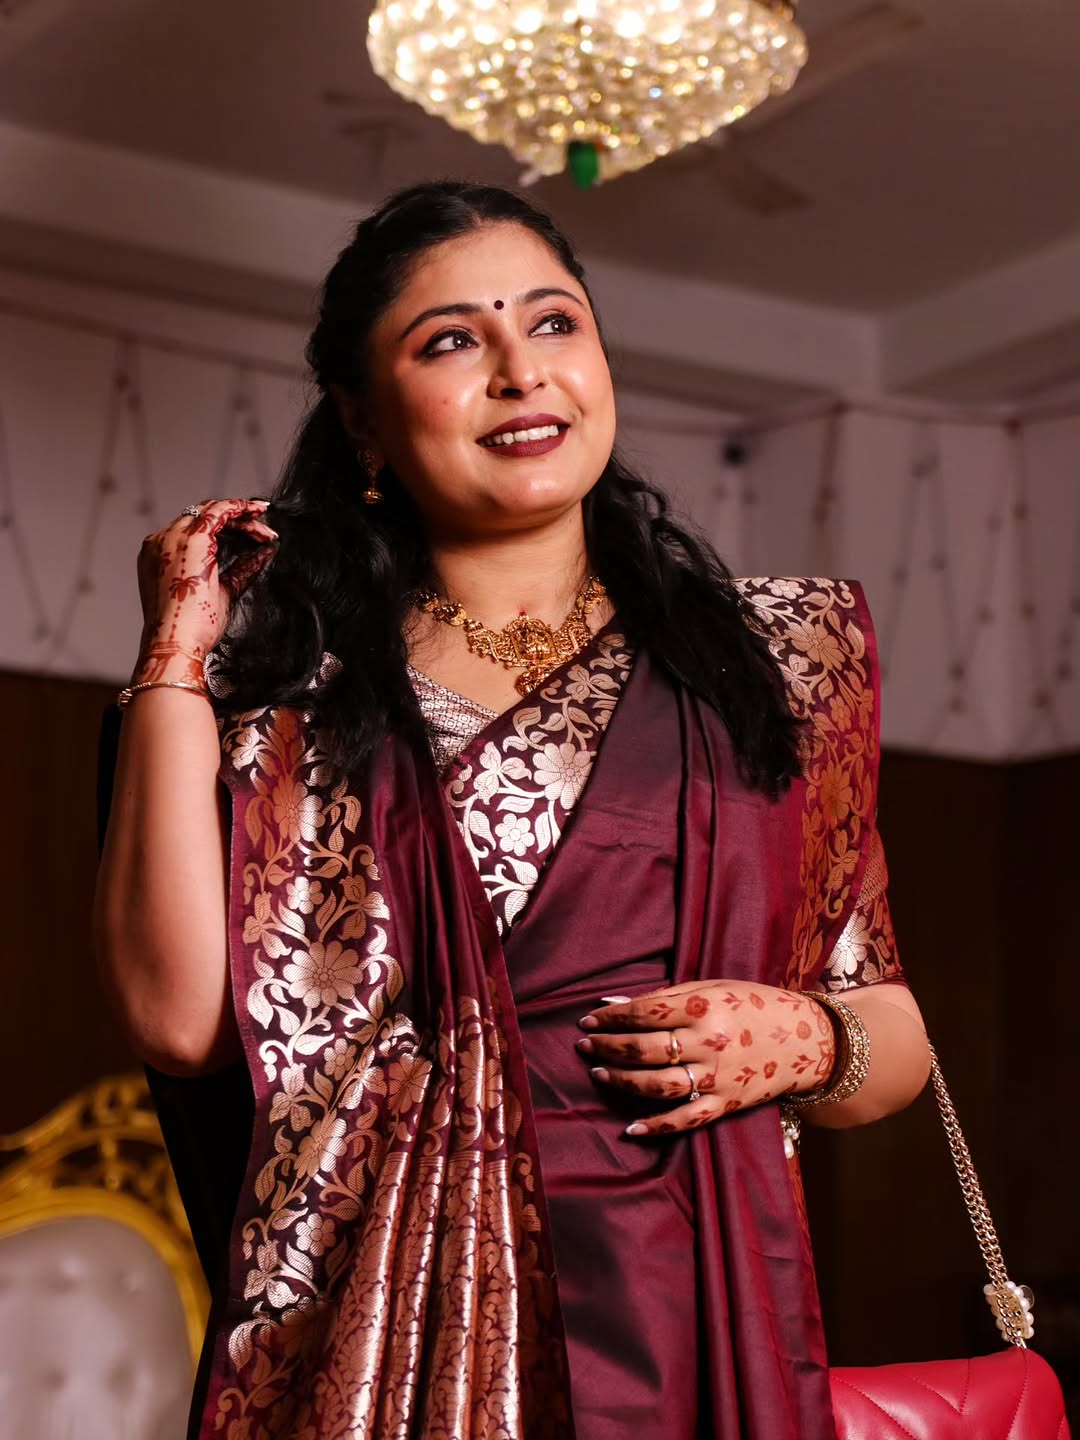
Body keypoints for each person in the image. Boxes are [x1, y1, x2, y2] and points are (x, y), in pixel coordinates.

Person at [94, 180, 930, 1440]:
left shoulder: (775, 663)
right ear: (363, 420)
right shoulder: (286, 698)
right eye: (451, 341)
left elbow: (891, 1028)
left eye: (553, 323)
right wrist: (174, 653)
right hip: (392, 1333)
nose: (521, 371)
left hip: (691, 1296)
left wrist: (811, 1041)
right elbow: (179, 1021)